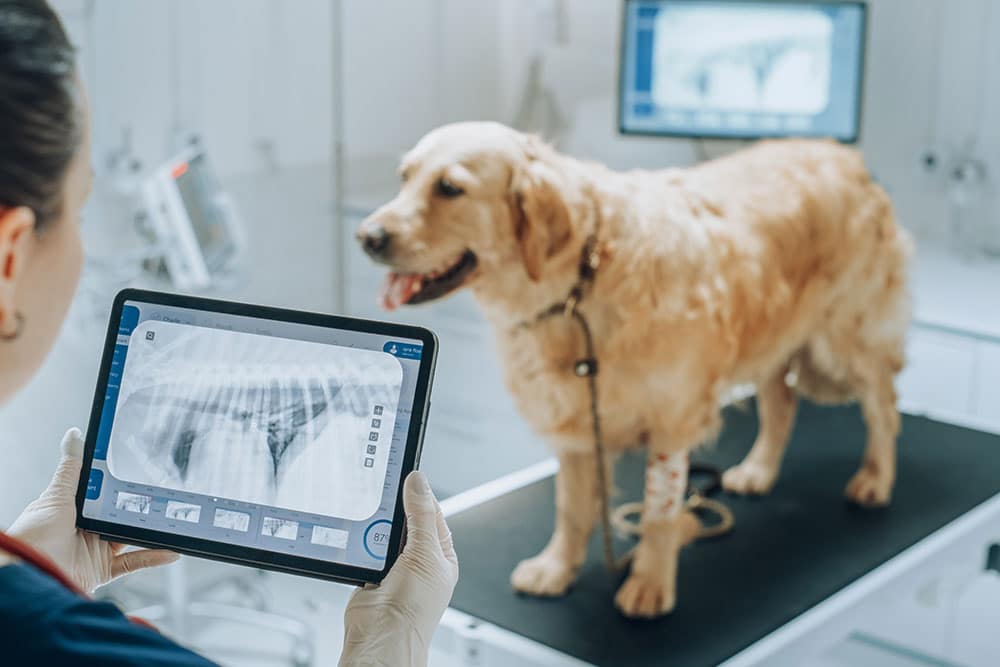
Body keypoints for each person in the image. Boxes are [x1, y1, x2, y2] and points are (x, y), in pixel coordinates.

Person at [0, 1, 459, 665]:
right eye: (80, 208)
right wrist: (391, 640)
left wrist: (26, 566)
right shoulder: (71, 646)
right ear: (10, 256)